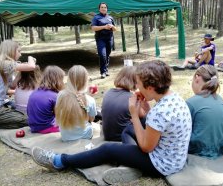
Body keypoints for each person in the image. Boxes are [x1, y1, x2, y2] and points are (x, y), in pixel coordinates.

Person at [31, 60, 192, 185]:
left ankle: (60, 161)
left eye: (139, 84)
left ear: (150, 88)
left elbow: (146, 147)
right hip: (174, 157)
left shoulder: (160, 112)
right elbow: (161, 127)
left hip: (162, 165)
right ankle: (130, 164)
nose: (136, 87)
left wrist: (135, 115)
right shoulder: (175, 98)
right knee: (128, 130)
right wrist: (146, 111)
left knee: (108, 148)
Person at [0, 40, 36, 140]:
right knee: (28, 121)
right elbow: (31, 66)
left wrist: (21, 71)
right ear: (11, 51)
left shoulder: (0, 64)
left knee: (19, 113)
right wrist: (30, 58)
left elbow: (12, 86)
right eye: (19, 51)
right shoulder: (4, 64)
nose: (20, 54)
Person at [186, 65, 223, 158]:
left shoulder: (191, 103)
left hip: (199, 149)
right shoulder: (220, 99)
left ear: (197, 78)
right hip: (221, 147)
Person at [102, 66, 147, 141]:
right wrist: (141, 100)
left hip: (108, 135)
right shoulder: (131, 98)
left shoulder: (108, 93)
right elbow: (142, 114)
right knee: (145, 118)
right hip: (124, 137)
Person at [55, 65, 97, 141]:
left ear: (69, 79)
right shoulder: (90, 100)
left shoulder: (60, 95)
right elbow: (91, 119)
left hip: (66, 137)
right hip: (85, 135)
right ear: (85, 81)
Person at [27, 65, 65, 134]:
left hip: (33, 127)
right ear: (57, 80)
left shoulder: (35, 91)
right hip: (46, 128)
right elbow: (59, 117)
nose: (63, 82)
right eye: (62, 80)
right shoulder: (55, 96)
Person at [91, 2, 116, 79]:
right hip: (100, 39)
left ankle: (106, 70)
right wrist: (104, 27)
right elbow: (93, 28)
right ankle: (103, 72)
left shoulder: (110, 18)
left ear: (107, 9)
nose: (103, 9)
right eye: (102, 7)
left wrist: (112, 26)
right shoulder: (96, 17)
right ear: (99, 9)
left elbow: (115, 29)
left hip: (109, 38)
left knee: (107, 55)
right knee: (102, 55)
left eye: (105, 7)